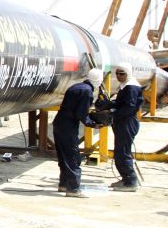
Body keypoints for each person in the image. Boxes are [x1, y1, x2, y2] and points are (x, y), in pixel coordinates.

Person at [53, 68, 103, 197]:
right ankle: (73, 189)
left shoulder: (77, 86)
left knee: (63, 155)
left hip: (59, 122)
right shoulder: (87, 92)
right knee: (72, 157)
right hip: (68, 126)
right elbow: (81, 113)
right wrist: (94, 124)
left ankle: (63, 184)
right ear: (98, 81)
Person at [108, 62, 143, 190]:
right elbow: (122, 103)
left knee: (123, 152)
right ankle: (125, 178)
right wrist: (110, 104)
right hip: (123, 121)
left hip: (127, 122)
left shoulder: (131, 87)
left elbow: (129, 107)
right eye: (117, 73)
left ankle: (130, 181)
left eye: (121, 74)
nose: (118, 76)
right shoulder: (125, 86)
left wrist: (113, 113)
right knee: (120, 151)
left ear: (128, 74)